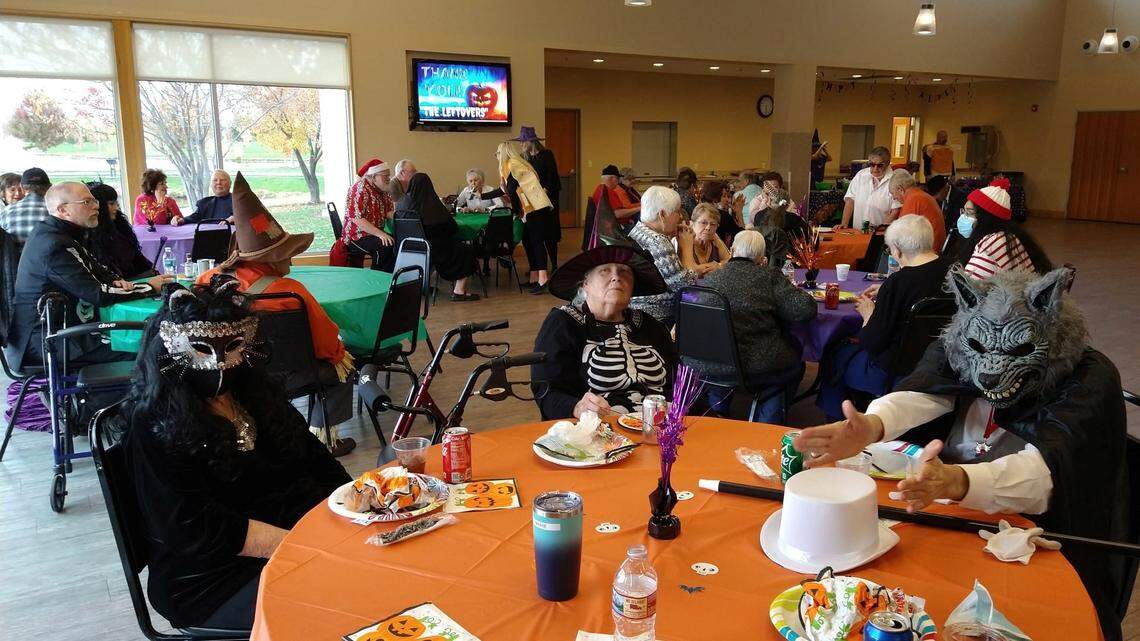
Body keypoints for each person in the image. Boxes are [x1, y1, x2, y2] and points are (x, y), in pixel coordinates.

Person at [794, 265, 1129, 640]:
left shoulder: (1089, 378)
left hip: (1041, 541)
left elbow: (1047, 476)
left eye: (1017, 348)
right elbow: (927, 390)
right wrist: (873, 426)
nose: (988, 371)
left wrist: (957, 481)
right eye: (981, 348)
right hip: (949, 520)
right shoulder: (960, 341)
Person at [123, 276, 351, 630]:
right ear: (168, 352)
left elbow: (318, 463)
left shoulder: (256, 395)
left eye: (233, 348)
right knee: (351, 602)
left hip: (295, 541)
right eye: (201, 349)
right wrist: (308, 547)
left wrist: (355, 509)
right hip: (212, 580)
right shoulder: (155, 424)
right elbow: (196, 529)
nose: (219, 364)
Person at [196, 172, 358, 457]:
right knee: (341, 368)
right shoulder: (288, 292)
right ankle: (325, 440)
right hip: (281, 374)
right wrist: (338, 354)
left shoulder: (207, 280)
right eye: (285, 252)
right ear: (270, 258)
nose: (290, 258)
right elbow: (325, 342)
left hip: (225, 377)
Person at [5, 182, 170, 371]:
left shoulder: (61, 233)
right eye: (86, 201)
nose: (96, 205)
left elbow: (98, 270)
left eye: (94, 200)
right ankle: (146, 399)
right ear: (63, 210)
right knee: (152, 346)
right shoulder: (53, 244)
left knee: (149, 337)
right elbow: (98, 294)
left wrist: (113, 280)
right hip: (47, 341)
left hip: (62, 331)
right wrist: (150, 287)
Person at [816, 215, 951, 419]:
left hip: (892, 371)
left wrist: (868, 314)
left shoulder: (898, 282)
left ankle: (837, 418)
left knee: (835, 352)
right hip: (938, 367)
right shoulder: (954, 272)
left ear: (897, 249)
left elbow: (872, 342)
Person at [532, 245, 674, 419]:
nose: (616, 277)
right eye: (605, 271)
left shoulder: (650, 325)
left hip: (663, 427)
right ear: (586, 283)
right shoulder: (563, 323)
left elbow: (679, 377)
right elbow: (546, 390)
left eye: (624, 272)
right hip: (595, 432)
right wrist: (576, 407)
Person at [694, 230, 816, 423]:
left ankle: (718, 407)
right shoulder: (768, 277)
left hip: (709, 361)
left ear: (732, 250)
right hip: (758, 365)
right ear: (762, 258)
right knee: (794, 365)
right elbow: (805, 309)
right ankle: (768, 421)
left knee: (725, 366)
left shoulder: (710, 279)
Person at [395, 173, 480, 301]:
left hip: (408, 248)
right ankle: (459, 291)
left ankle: (419, 285)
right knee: (466, 250)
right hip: (434, 249)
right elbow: (452, 229)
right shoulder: (432, 205)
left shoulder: (402, 203)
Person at [628, 186, 698, 325]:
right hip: (654, 316)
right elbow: (687, 289)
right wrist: (687, 247)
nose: (680, 217)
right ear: (662, 215)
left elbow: (674, 275)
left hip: (633, 308)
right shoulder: (657, 242)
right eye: (677, 212)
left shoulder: (637, 230)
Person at [956, 178, 1052, 280]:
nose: (963, 217)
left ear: (986, 218)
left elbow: (969, 285)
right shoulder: (1009, 235)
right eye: (964, 211)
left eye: (969, 212)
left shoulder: (991, 243)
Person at [516, 127, 562, 291]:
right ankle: (536, 273)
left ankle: (552, 267)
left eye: (523, 141)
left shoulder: (546, 155)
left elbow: (552, 178)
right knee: (530, 237)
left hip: (546, 203)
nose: (521, 144)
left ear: (531, 141)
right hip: (532, 203)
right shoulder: (525, 158)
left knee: (547, 235)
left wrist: (543, 195)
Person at [86, 182, 155, 280]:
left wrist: (151, 270)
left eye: (116, 203)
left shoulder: (121, 226)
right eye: (111, 204)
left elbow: (136, 256)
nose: (116, 208)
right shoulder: (92, 236)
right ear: (99, 206)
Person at [342, 158, 396, 271]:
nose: (388, 178)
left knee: (398, 241)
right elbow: (357, 219)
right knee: (384, 246)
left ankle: (389, 279)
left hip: (374, 233)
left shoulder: (383, 190)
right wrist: (380, 234)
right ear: (373, 177)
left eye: (388, 175)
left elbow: (388, 212)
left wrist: (403, 217)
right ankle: (376, 279)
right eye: (384, 176)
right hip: (356, 235)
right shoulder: (359, 189)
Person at [838, 147, 900, 230]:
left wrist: (879, 230)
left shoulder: (895, 180)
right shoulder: (861, 175)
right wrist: (844, 224)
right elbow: (850, 200)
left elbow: (895, 211)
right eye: (872, 164)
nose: (875, 169)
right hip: (858, 231)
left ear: (888, 163)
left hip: (881, 234)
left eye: (880, 165)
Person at [889, 170, 947, 250]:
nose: (894, 198)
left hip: (928, 253)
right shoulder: (918, 195)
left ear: (900, 189)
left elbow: (901, 234)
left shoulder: (913, 198)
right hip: (931, 248)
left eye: (893, 193)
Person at [0, 167, 51, 244]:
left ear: (22, 188)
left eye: (19, 190)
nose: (17, 193)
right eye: (12, 190)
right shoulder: (56, 210)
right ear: (49, 187)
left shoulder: (5, 213)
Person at [681, 203, 729, 275]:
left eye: (713, 224)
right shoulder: (685, 239)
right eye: (703, 223)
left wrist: (719, 266)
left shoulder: (714, 237)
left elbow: (729, 260)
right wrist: (714, 266)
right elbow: (691, 271)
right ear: (693, 223)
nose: (708, 228)